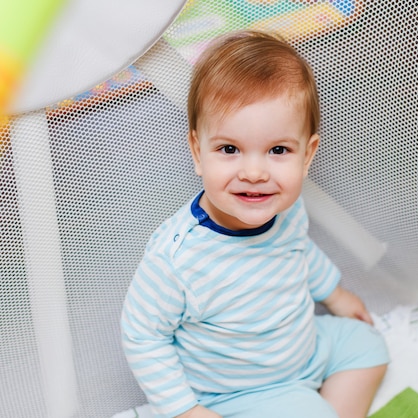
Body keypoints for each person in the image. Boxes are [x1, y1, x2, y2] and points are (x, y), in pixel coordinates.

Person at [121, 30, 389, 418]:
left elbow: (298, 252)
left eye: (278, 150)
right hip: (234, 394)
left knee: (368, 346)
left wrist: (334, 294)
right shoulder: (177, 259)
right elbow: (143, 335)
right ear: (198, 152)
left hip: (304, 350)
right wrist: (186, 410)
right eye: (229, 150)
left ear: (307, 154)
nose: (253, 173)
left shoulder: (286, 209)